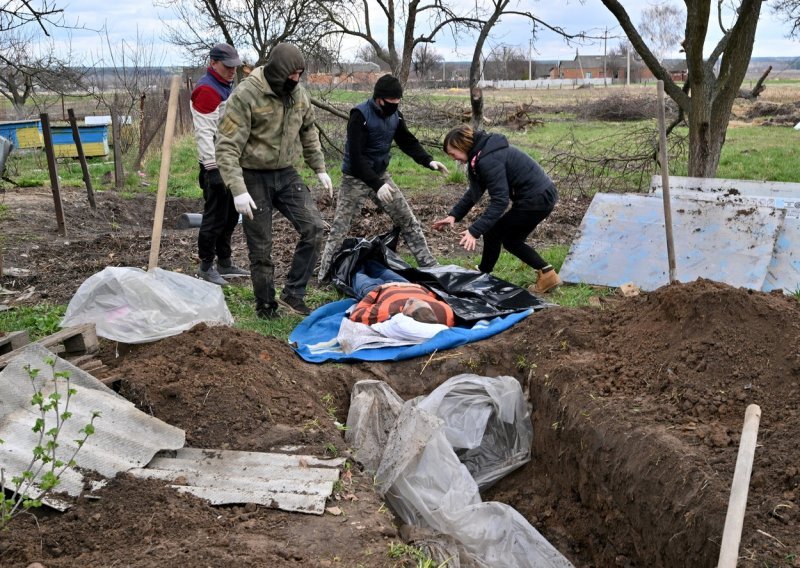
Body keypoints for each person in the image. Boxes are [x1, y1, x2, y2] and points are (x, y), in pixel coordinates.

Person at [215, 43, 334, 319]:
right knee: (261, 246)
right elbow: (226, 146)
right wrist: (238, 189)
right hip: (252, 175)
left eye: (299, 77)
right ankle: (266, 306)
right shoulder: (246, 95)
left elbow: (308, 130)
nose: (295, 82)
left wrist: (319, 167)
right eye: (290, 77)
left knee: (314, 227)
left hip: (285, 172)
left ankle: (294, 294)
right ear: (277, 72)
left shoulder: (298, 94)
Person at [317, 74, 450, 280]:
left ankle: (430, 266)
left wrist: (428, 161)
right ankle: (325, 275)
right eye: (391, 102)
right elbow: (357, 158)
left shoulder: (395, 116)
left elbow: (407, 141)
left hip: (381, 176)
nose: (395, 106)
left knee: (408, 220)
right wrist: (377, 184)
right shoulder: (359, 116)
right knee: (340, 228)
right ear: (379, 99)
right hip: (355, 179)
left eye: (398, 102)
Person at [432, 124, 562, 294]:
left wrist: (474, 231)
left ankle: (484, 274)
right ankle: (547, 274)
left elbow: (500, 201)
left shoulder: (487, 159)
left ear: (461, 146)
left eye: (452, 153)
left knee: (494, 233)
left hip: (536, 199)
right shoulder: (481, 154)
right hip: (540, 196)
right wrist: (454, 216)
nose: (453, 158)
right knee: (510, 240)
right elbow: (474, 191)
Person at [191, 43, 250, 286]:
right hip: (215, 165)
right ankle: (206, 265)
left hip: (230, 162)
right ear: (213, 63)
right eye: (227, 67)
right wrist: (212, 168)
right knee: (214, 217)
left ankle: (224, 262)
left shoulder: (224, 85)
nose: (231, 71)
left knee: (229, 216)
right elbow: (204, 133)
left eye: (234, 67)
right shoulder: (207, 90)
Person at [349, 260, 455, 326]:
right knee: (380, 268)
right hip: (405, 284)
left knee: (358, 273)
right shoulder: (445, 313)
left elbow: (356, 315)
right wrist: (419, 287)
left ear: (406, 315)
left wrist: (377, 290)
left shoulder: (387, 311)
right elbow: (434, 295)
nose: (410, 298)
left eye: (409, 304)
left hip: (376, 289)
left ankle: (356, 261)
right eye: (419, 301)